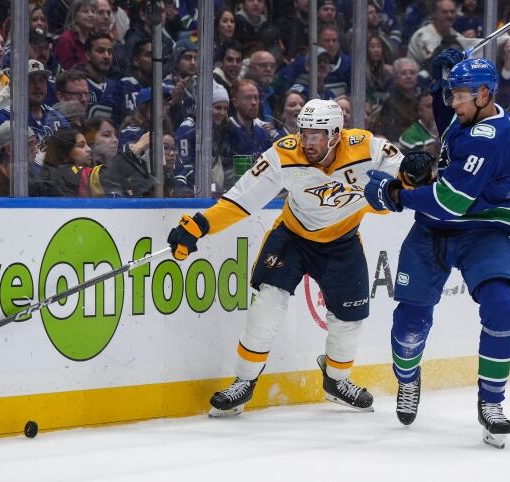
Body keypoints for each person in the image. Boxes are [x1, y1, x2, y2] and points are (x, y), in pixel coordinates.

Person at [167, 98, 404, 416]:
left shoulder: (369, 149)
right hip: (292, 237)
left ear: (335, 133)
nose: (308, 142)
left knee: (350, 320)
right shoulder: (283, 153)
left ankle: (336, 381)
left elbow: (404, 184)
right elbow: (241, 200)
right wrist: (199, 226)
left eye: (316, 135)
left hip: (342, 241)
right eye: (305, 134)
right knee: (266, 305)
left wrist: (407, 180)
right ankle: (244, 381)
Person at [364, 52, 510, 449]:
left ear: (485, 94)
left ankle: (491, 403)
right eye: (452, 95)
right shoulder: (473, 113)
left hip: (480, 229)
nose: (453, 104)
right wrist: (440, 86)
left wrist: (394, 193)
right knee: (409, 324)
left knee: (502, 309)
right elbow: (448, 120)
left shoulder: (490, 138)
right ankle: (407, 377)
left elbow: (450, 202)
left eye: (460, 95)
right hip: (433, 231)